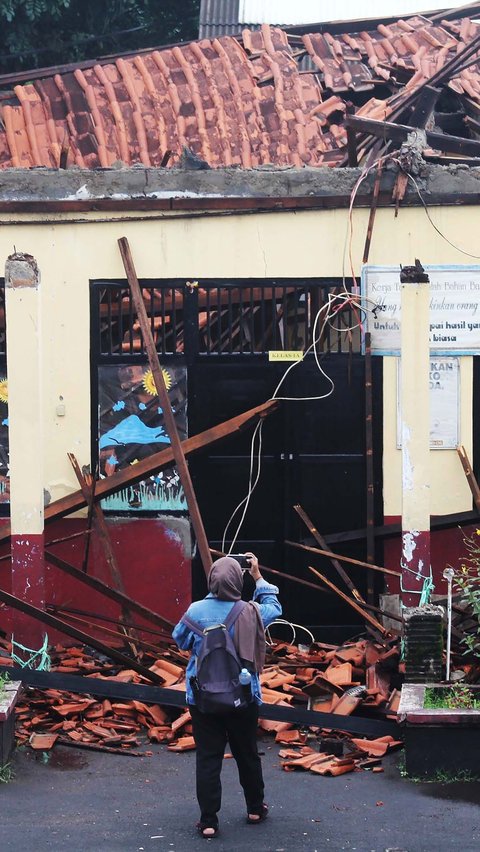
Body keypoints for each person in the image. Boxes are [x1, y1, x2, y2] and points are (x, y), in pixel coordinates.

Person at [172, 552, 282, 839]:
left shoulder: (195, 611)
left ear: (211, 581)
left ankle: (209, 821)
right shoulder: (251, 611)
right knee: (247, 753)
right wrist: (257, 575)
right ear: (237, 579)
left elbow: (179, 639)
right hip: (243, 697)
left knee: (208, 757)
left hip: (203, 699)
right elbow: (275, 606)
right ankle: (255, 808)